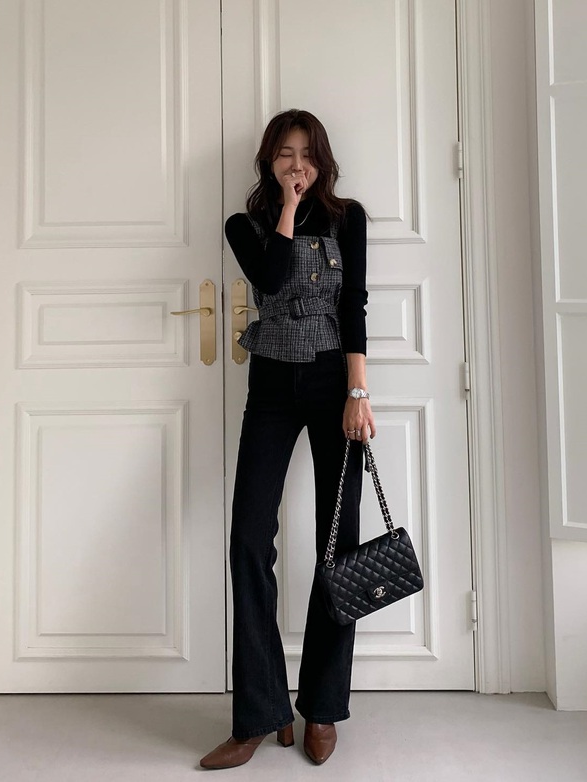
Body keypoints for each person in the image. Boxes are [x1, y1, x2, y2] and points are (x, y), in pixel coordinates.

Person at [200, 109, 375, 770]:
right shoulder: (243, 225)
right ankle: (261, 713)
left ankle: (322, 707)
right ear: (268, 161)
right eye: (284, 154)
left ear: (321, 159)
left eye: (306, 153)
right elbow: (271, 279)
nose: (296, 164)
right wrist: (288, 207)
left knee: (338, 541)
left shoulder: (349, 219)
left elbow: (353, 303)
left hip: (334, 384)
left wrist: (358, 393)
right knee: (249, 539)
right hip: (271, 386)